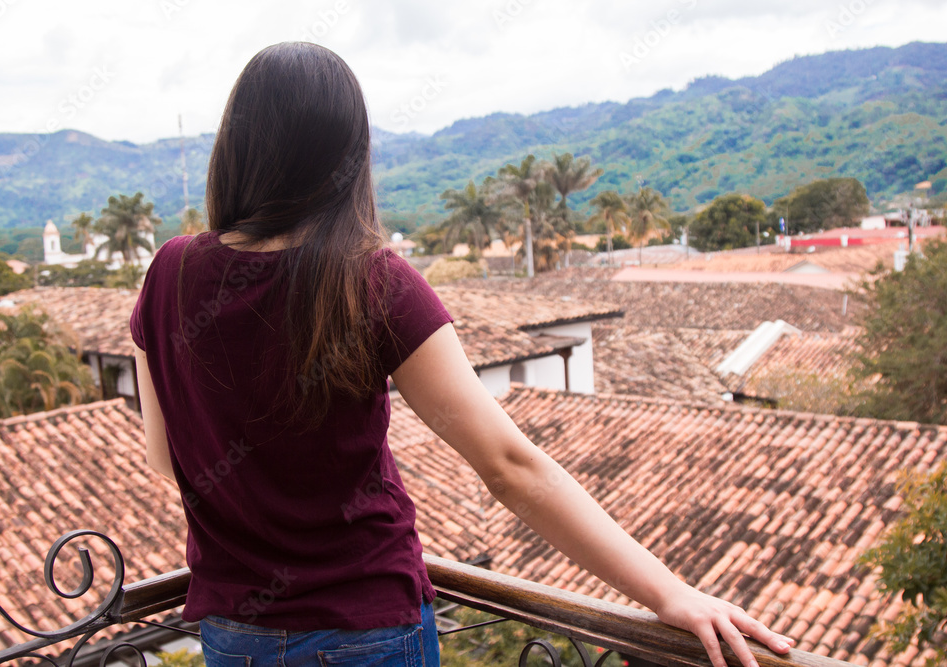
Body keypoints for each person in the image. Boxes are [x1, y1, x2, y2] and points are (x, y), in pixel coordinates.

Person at [131, 42, 794, 667]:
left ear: (237, 145)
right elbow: (509, 465)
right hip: (368, 630)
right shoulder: (372, 283)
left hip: (234, 634)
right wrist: (668, 593)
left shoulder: (169, 272)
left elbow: (166, 459)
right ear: (348, 156)